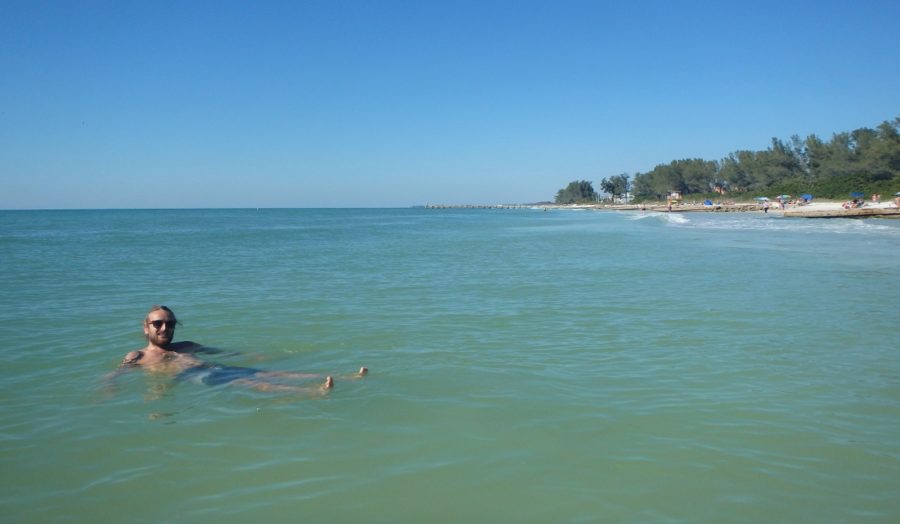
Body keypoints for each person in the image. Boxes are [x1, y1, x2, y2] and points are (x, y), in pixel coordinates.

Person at [116, 305, 366, 393]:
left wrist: (254, 355)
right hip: (197, 376)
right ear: (146, 327)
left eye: (169, 324)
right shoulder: (138, 355)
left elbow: (222, 352)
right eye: (157, 323)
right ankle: (313, 393)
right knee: (248, 384)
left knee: (267, 374)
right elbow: (117, 374)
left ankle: (348, 377)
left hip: (218, 368)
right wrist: (108, 387)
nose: (164, 328)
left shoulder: (186, 345)